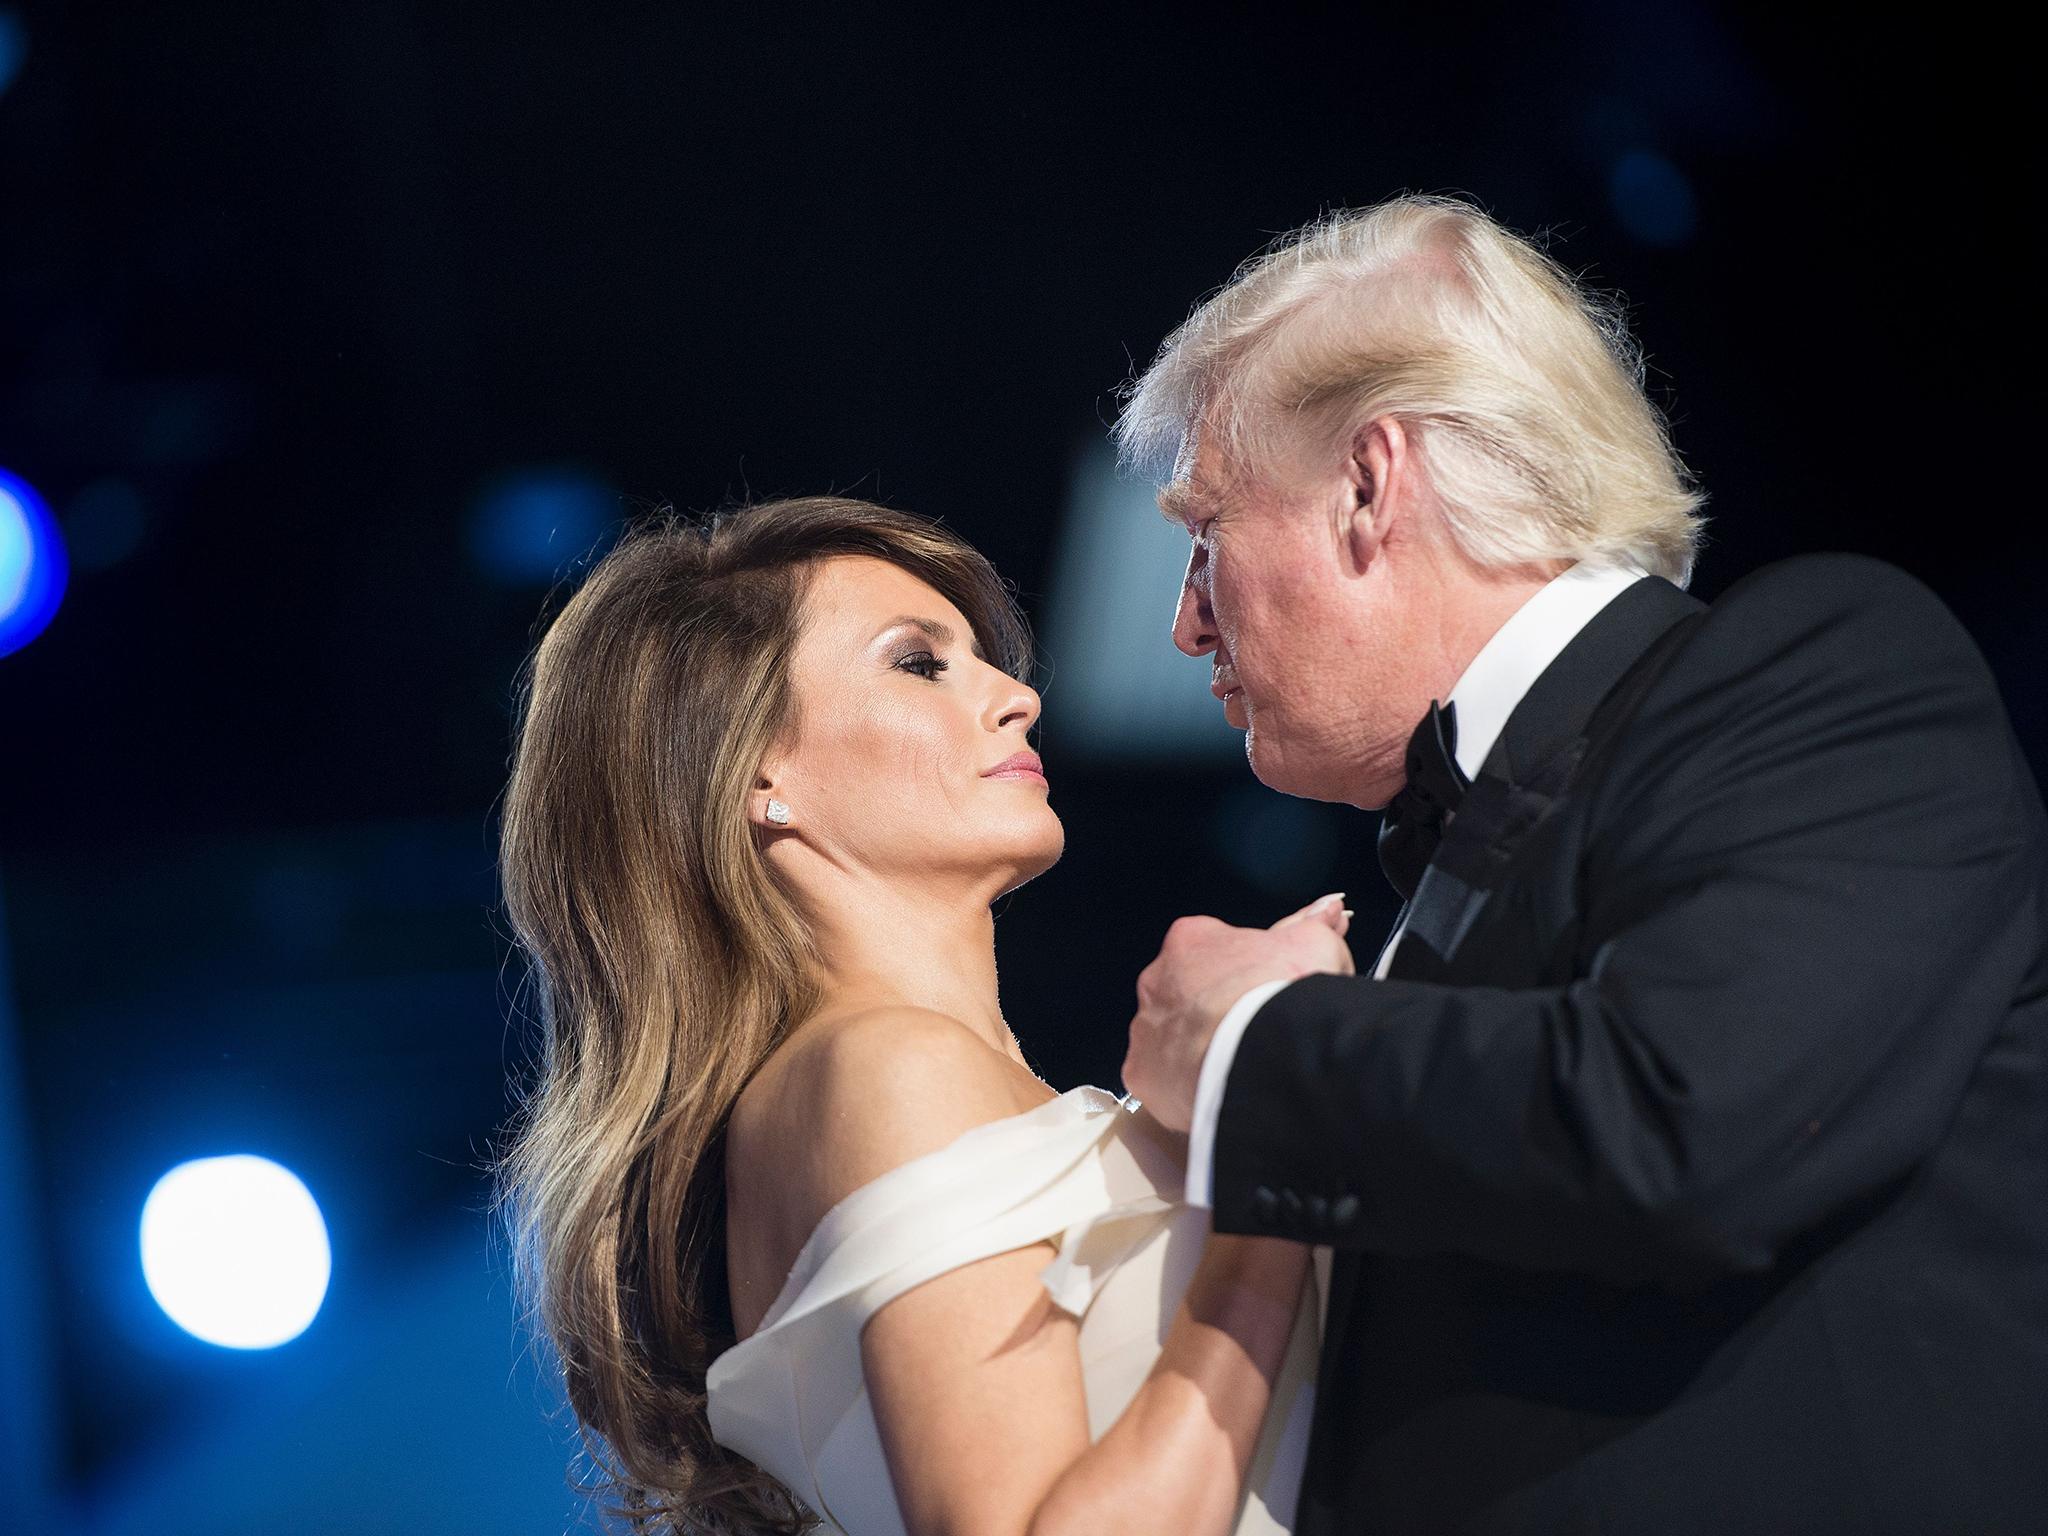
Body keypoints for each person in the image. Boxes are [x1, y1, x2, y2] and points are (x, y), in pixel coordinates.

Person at [1115, 194, 2048, 1534]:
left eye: (1206, 537)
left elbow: (1683, 1119)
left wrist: (1247, 1047)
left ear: (1372, 487)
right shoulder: (1469, 843)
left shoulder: (1828, 673)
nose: (1186, 622)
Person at [493, 496, 1342, 1536]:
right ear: (757, 770)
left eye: (984, 658)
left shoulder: (896, 1084)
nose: (1017, 697)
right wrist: (1274, 1182)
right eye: (919, 663)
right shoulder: (884, 1068)